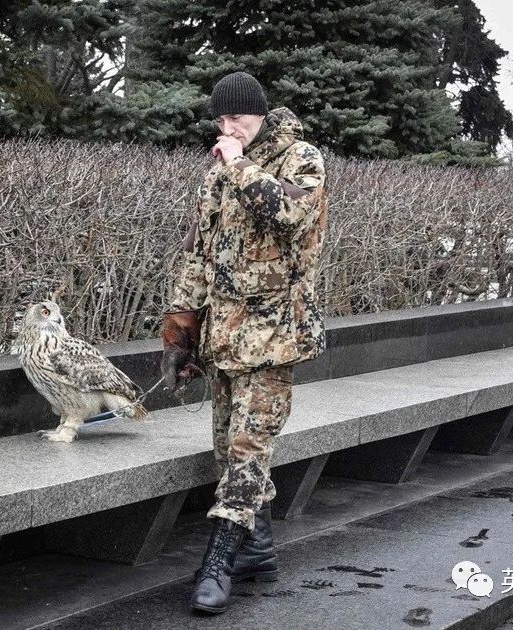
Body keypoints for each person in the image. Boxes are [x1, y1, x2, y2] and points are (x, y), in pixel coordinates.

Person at [160, 71, 329, 614]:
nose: (229, 128)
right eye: (223, 119)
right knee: (225, 452)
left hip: (275, 336)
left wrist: (236, 162)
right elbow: (198, 251)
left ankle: (218, 564)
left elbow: (287, 216)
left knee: (248, 452)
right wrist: (182, 327)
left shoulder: (301, 158)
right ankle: (257, 549)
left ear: (262, 114)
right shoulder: (216, 172)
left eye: (239, 118)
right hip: (223, 338)